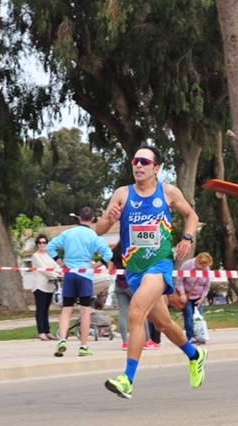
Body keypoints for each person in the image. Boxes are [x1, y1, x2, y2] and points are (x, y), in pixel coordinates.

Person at [96, 145, 205, 399]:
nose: (139, 165)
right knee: (163, 323)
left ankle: (128, 379)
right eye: (136, 161)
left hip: (160, 264)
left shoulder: (168, 192)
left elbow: (192, 215)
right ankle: (195, 355)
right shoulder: (122, 194)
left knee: (136, 313)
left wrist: (187, 238)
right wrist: (110, 218)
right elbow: (99, 230)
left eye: (145, 161)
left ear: (157, 168)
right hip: (134, 270)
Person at [47, 206, 113, 358]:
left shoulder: (68, 233)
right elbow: (108, 253)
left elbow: (51, 247)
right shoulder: (94, 237)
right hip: (85, 275)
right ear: (93, 220)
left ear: (78, 218)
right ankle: (83, 346)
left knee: (66, 309)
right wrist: (97, 264)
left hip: (70, 274)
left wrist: (61, 262)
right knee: (85, 311)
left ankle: (62, 339)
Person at [112, 242, 160, 351]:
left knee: (123, 313)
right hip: (132, 284)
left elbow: (112, 266)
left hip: (119, 285)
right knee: (141, 311)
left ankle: (125, 342)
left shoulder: (115, 251)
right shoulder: (133, 250)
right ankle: (147, 341)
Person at [176, 252, 213, 343]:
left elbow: (207, 286)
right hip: (187, 296)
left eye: (204, 266)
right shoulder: (187, 265)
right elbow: (179, 280)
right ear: (197, 260)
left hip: (199, 296)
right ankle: (190, 337)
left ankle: (201, 336)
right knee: (188, 317)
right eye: (200, 265)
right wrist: (182, 294)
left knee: (200, 318)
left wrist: (202, 298)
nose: (201, 268)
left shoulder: (206, 270)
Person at [31, 234, 60, 341]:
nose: (42, 244)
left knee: (46, 310)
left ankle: (47, 331)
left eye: (44, 242)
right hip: (40, 286)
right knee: (40, 309)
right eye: (40, 242)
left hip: (49, 286)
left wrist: (58, 273)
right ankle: (41, 332)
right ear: (37, 244)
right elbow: (44, 269)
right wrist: (56, 275)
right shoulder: (36, 256)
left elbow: (56, 267)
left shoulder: (49, 255)